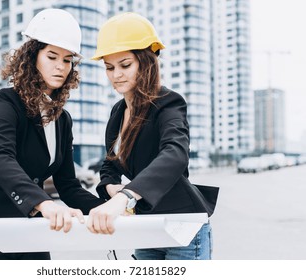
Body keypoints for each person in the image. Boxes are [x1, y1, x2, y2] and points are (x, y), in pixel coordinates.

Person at [0, 9, 104, 260]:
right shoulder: (6, 103)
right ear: (32, 56)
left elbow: (67, 186)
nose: (60, 66)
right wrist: (44, 203)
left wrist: (108, 210)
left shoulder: (63, 120)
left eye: (67, 60)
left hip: (30, 227)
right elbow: (1, 159)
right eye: (52, 56)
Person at [87, 12, 219, 260]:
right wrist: (110, 188)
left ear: (145, 62)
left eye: (125, 65)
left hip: (183, 228)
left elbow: (175, 154)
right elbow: (110, 162)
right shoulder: (118, 112)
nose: (116, 75)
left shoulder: (168, 103)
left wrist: (127, 196)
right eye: (109, 67)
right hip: (146, 226)